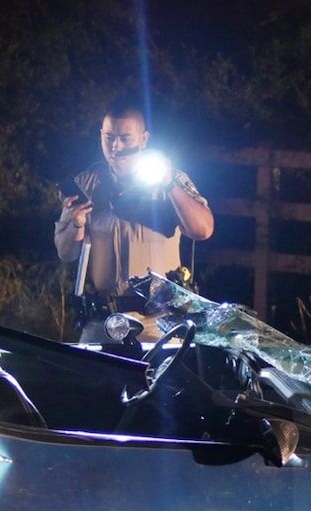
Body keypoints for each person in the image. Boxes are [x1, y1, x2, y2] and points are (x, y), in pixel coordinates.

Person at [54, 99, 214, 336]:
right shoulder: (87, 183)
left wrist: (170, 185)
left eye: (125, 138)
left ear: (144, 139)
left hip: (159, 323)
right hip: (103, 322)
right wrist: (76, 224)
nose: (115, 146)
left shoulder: (171, 179)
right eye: (108, 137)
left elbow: (203, 230)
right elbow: (65, 253)